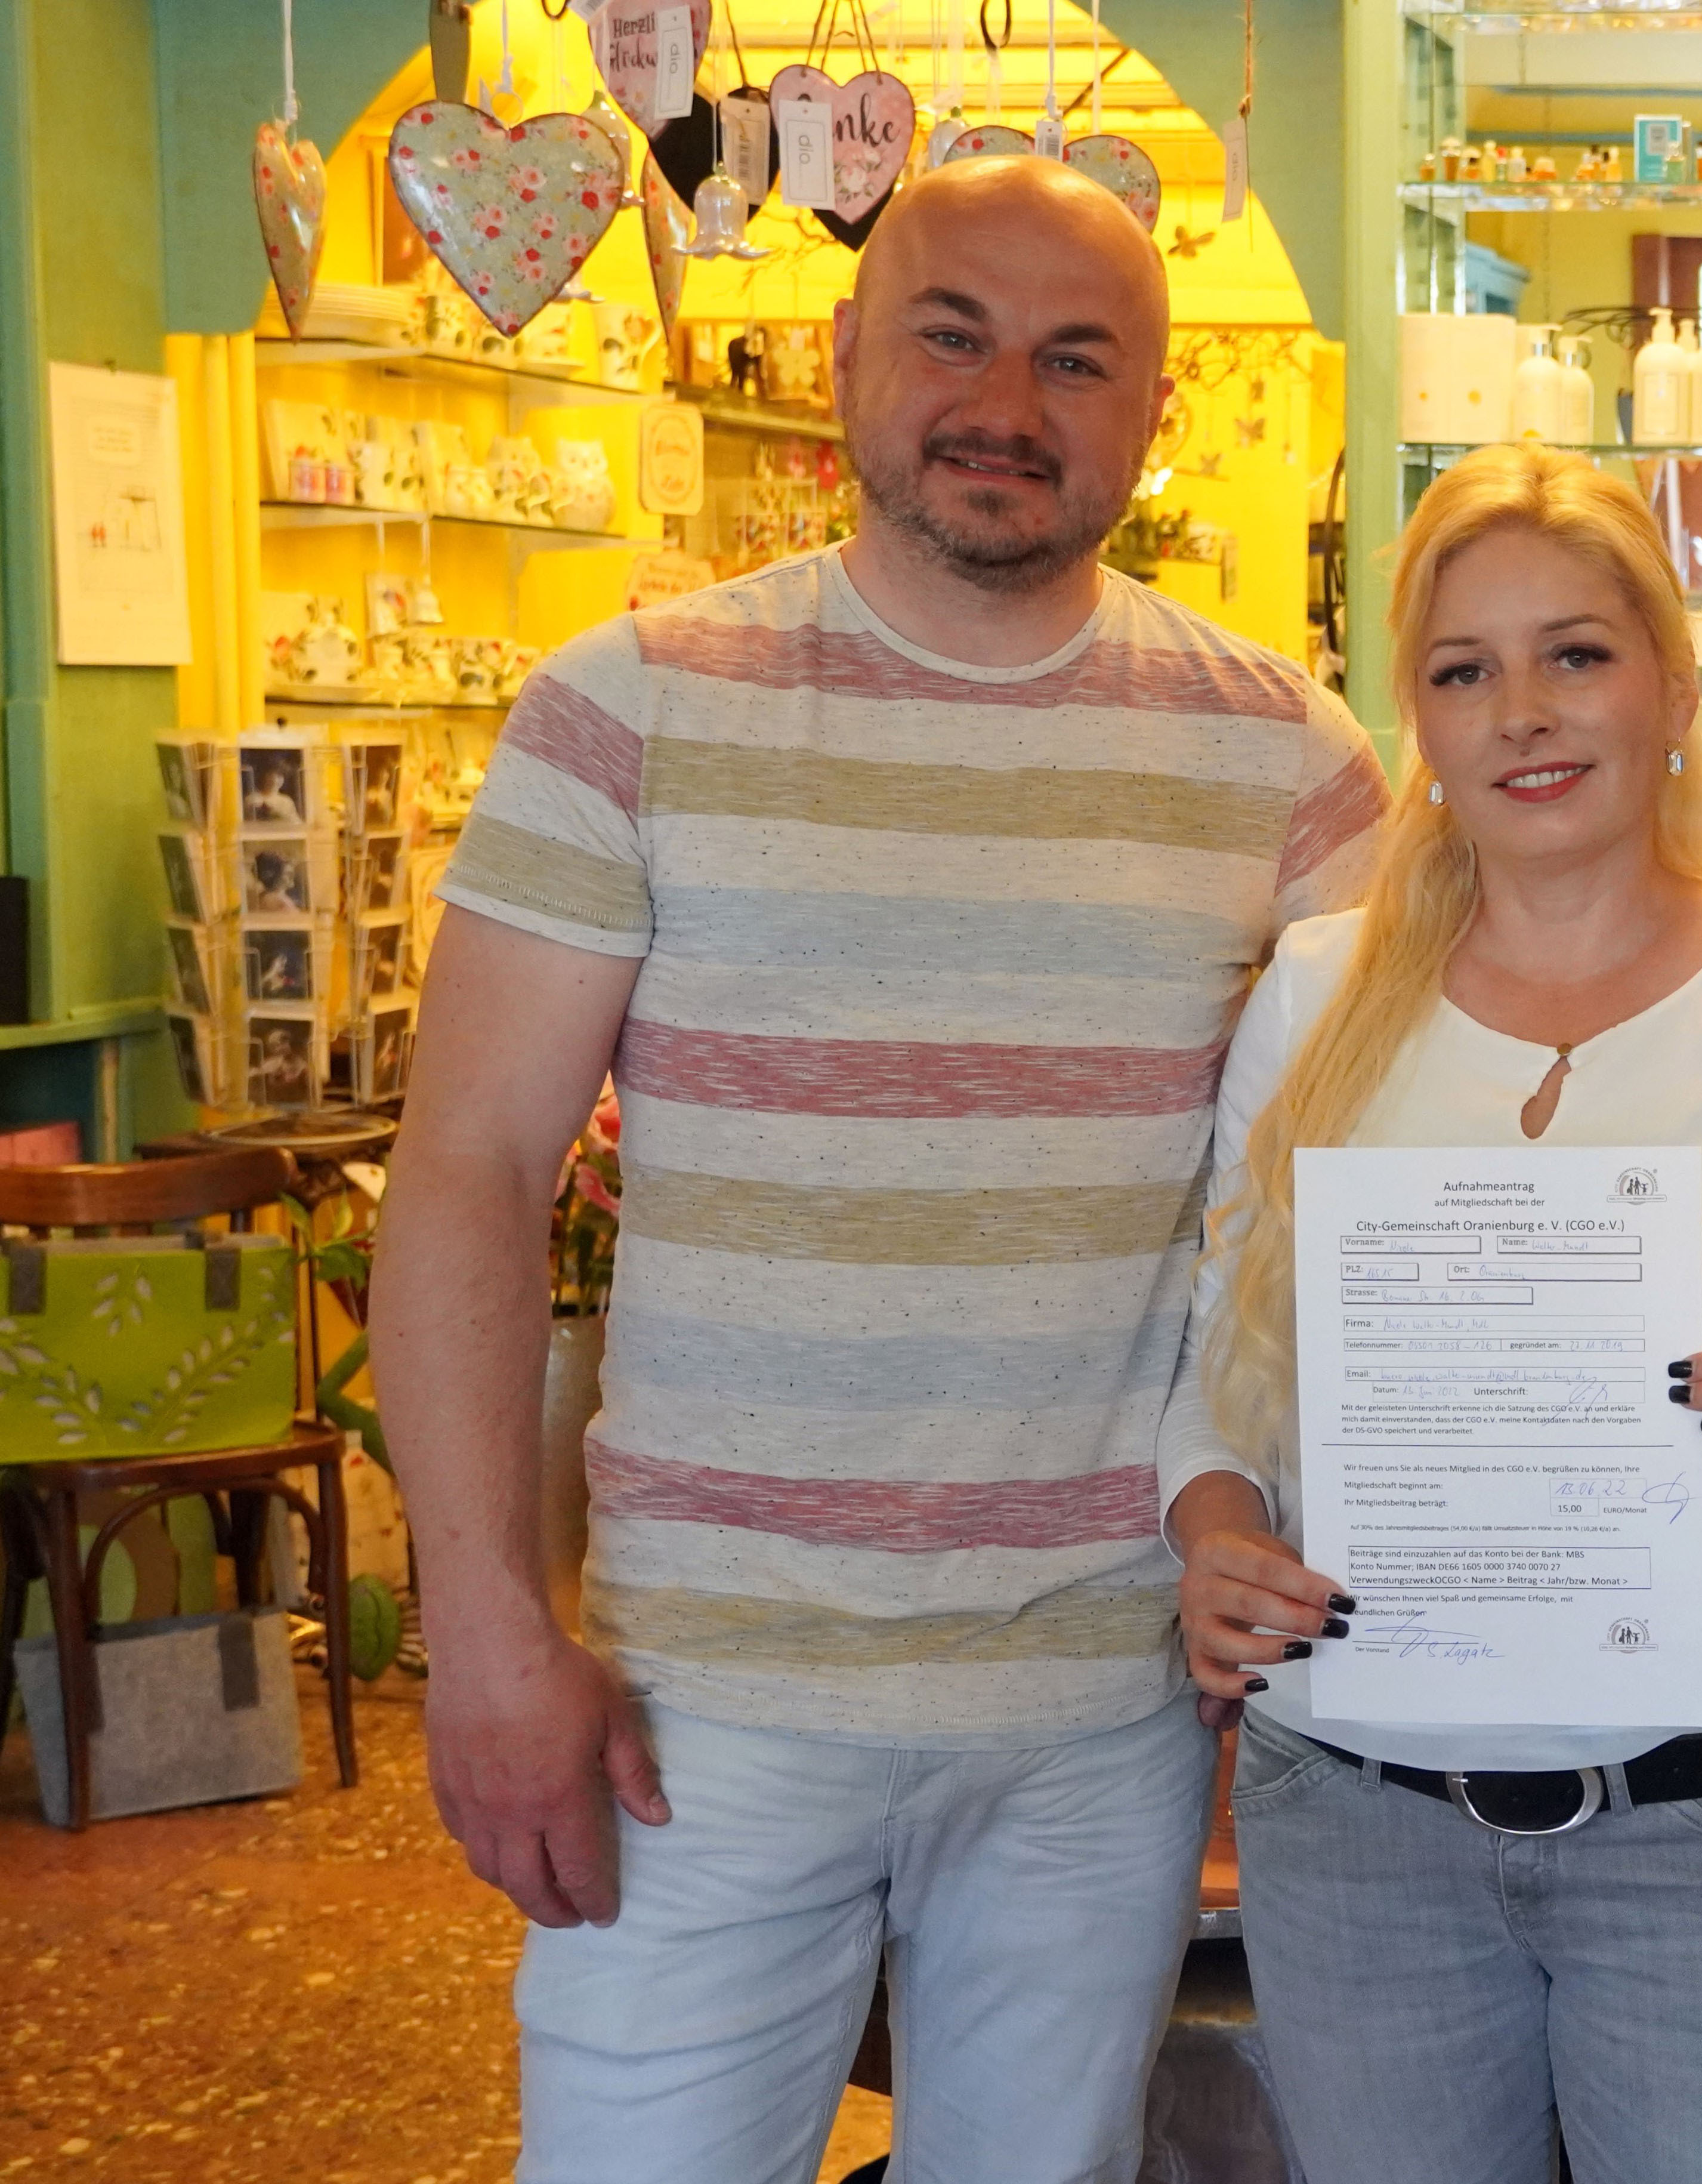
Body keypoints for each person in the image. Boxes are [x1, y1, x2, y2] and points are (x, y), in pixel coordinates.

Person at [376, 156, 1385, 2184]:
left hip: (1097, 1705)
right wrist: (487, 1632)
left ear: (1152, 410)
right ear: (844, 356)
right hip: (703, 1701)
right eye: (951, 332)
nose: (1005, 397)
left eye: (1075, 357)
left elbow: (1355, 1214)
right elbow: (472, 1169)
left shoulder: (1285, 757)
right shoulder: (627, 710)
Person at [1157, 443, 1702, 2184]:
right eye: (1463, 671)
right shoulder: (1320, 989)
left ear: (1674, 683)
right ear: (1418, 716)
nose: (1522, 714)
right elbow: (1218, 1378)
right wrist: (1215, 1530)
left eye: (1575, 653)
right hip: (1357, 1811)